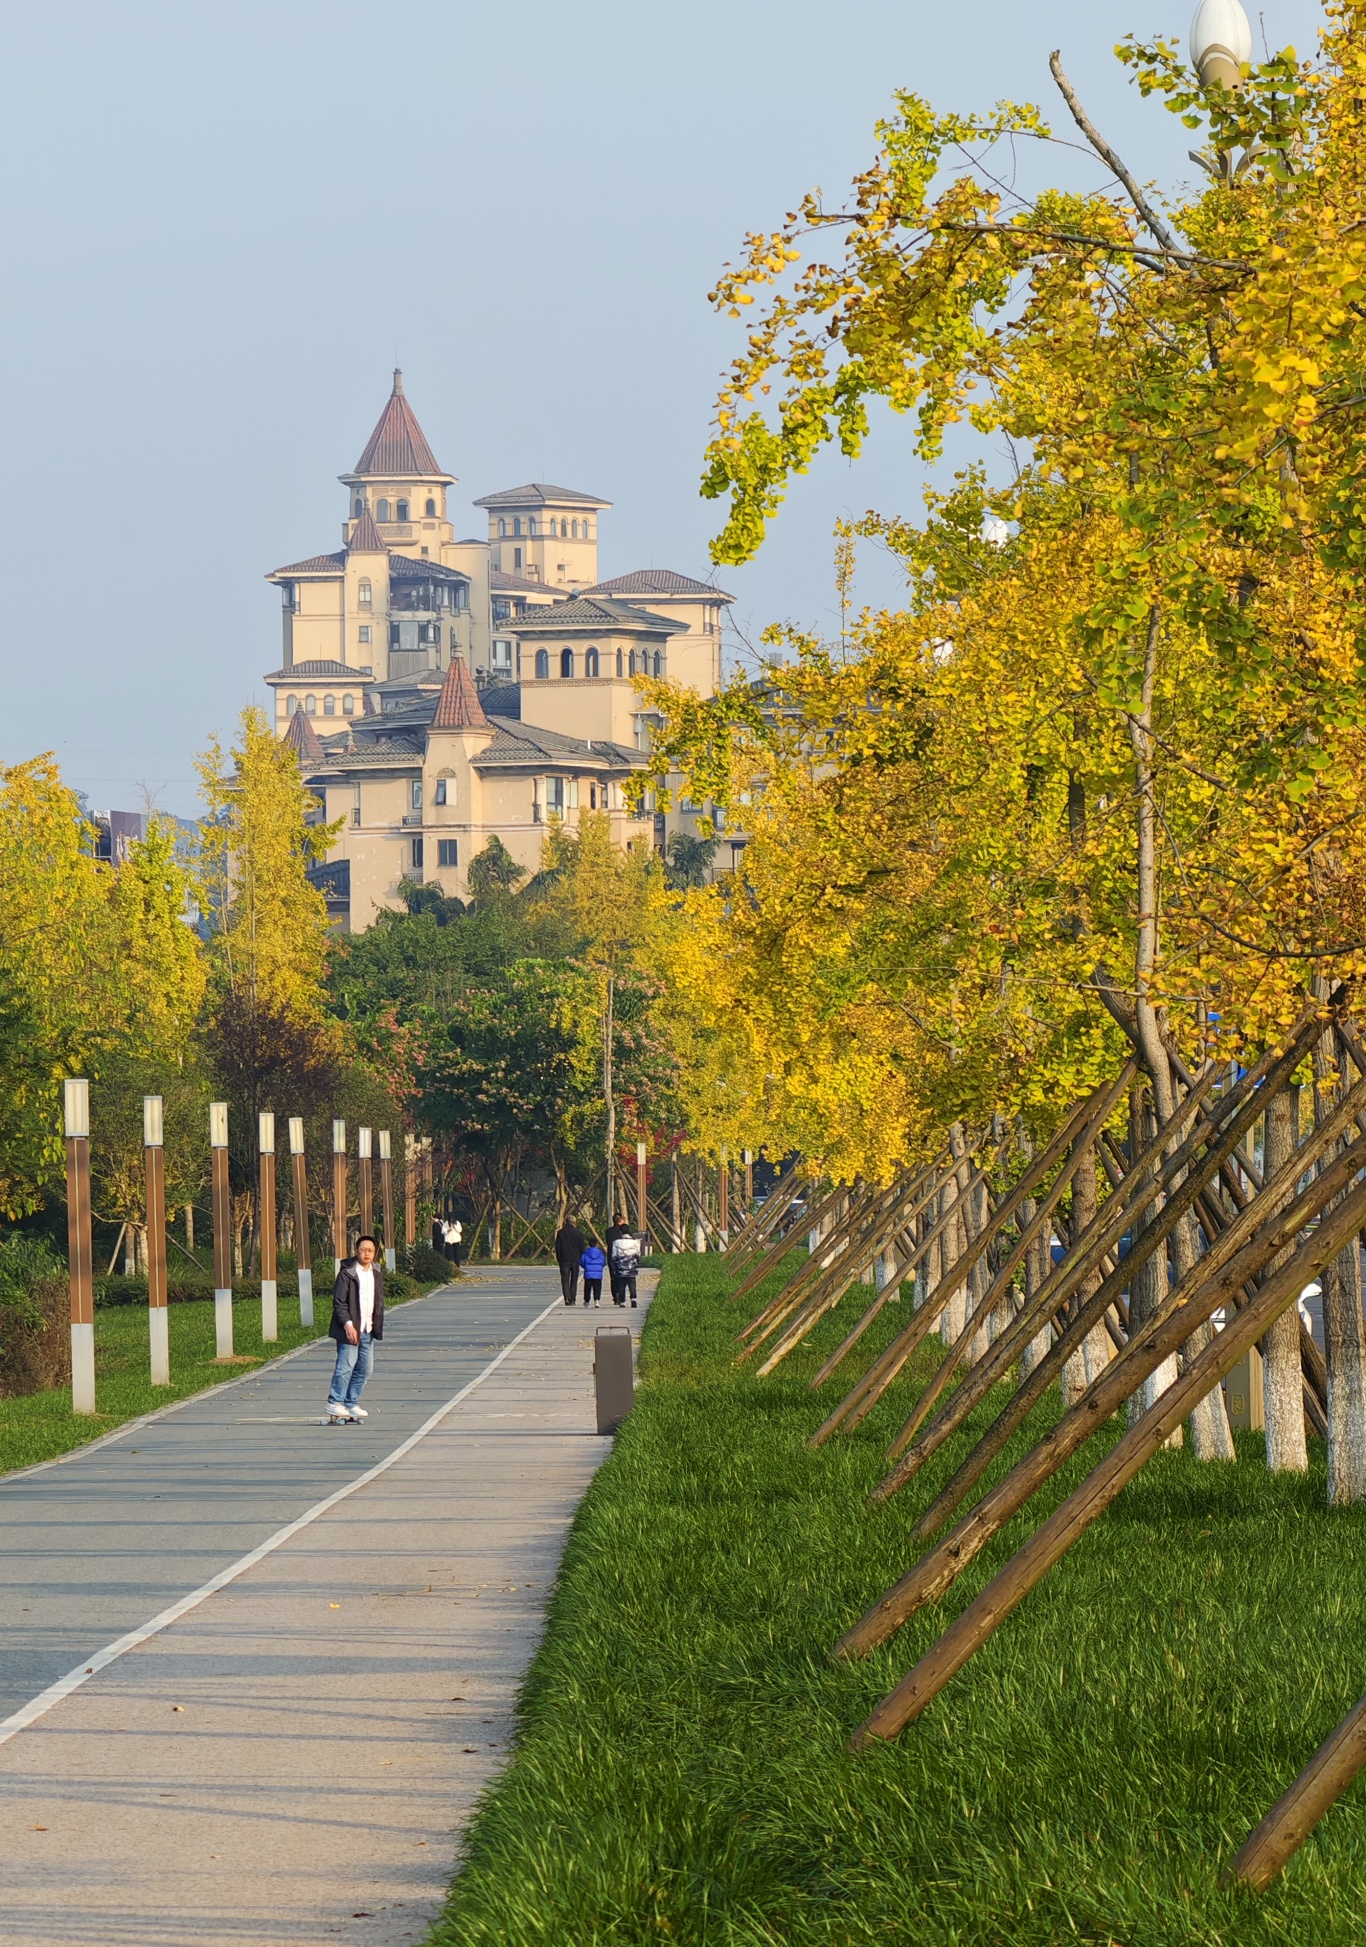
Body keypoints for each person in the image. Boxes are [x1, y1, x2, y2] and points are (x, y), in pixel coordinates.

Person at [327, 1234, 384, 1423]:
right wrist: (348, 1324)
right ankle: (335, 1401)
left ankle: (351, 1402)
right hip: (350, 1329)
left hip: (368, 1329)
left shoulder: (376, 1271)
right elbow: (339, 1302)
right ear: (356, 1250)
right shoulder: (348, 1272)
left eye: (370, 1250)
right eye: (363, 1250)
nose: (366, 1253)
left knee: (365, 1369)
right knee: (346, 1366)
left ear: (375, 1253)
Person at [606, 1215, 642, 1308]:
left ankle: (621, 1301)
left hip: (621, 1266)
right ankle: (633, 1299)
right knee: (632, 1282)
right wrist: (637, 1263)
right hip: (631, 1266)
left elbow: (614, 1255)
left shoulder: (616, 1242)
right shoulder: (635, 1242)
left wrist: (614, 1265)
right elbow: (638, 1254)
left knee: (620, 1283)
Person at [554, 1216, 586, 1305]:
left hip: (564, 1259)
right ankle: (573, 1298)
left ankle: (567, 1298)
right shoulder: (578, 1233)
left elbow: (558, 1248)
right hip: (575, 1260)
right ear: (574, 1223)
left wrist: (559, 1259)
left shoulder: (560, 1233)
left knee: (565, 1280)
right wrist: (580, 1258)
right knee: (574, 1280)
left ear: (565, 1222)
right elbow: (582, 1248)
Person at [580, 1235, 606, 1308]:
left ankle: (587, 1301)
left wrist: (586, 1267)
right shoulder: (600, 1253)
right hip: (598, 1274)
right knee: (597, 1287)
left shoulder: (586, 1253)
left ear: (589, 1244)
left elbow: (582, 1261)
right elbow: (603, 1262)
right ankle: (596, 1301)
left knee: (587, 1288)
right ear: (596, 1244)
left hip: (588, 1273)